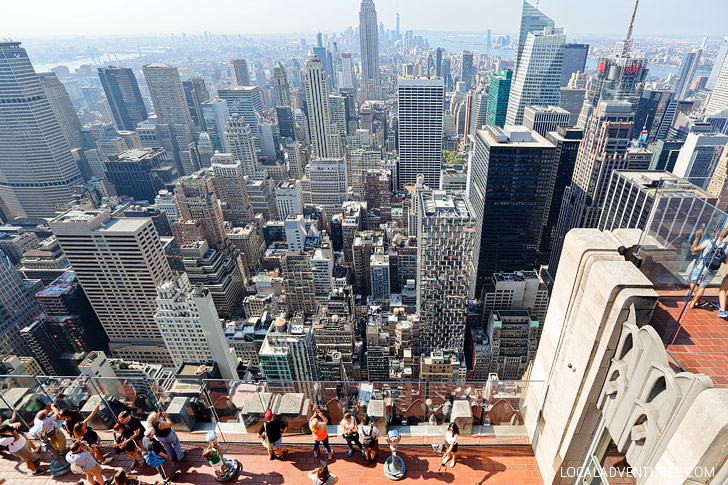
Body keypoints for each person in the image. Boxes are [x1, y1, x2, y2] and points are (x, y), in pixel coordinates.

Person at [688, 227, 728, 309]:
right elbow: (725, 261)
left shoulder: (708, 242)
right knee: (702, 286)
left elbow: (694, 249)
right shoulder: (726, 246)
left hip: (701, 266)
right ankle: (695, 302)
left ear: (716, 233)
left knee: (692, 281)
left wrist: (697, 238)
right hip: (713, 270)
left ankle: (696, 301)